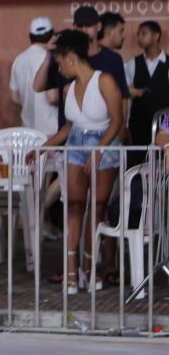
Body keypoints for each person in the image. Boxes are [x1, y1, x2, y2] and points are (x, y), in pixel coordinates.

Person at [30, 31, 123, 293]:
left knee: (97, 208)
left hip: (104, 146)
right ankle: (72, 270)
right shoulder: (68, 88)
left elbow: (118, 121)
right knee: (74, 205)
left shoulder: (104, 81)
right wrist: (41, 147)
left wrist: (99, 150)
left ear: (71, 58)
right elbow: (66, 130)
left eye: (60, 61)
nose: (59, 68)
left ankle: (90, 267)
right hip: (75, 145)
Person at [33, 6, 128, 131]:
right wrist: (48, 56)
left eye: (88, 26)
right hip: (69, 137)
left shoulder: (113, 59)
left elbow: (123, 98)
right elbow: (38, 87)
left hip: (104, 138)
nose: (84, 30)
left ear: (98, 26)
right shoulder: (66, 58)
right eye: (79, 26)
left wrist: (121, 131)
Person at [124, 21, 167, 167]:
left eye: (144, 33)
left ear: (156, 36)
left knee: (162, 163)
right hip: (138, 125)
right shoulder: (132, 64)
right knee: (137, 166)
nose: (139, 38)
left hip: (165, 125)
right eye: (138, 34)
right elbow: (124, 92)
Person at [9, 17, 58, 136]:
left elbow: (15, 97)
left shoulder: (19, 59)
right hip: (51, 130)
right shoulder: (51, 58)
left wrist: (33, 102)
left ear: (31, 36)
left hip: (28, 132)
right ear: (52, 35)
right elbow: (52, 97)